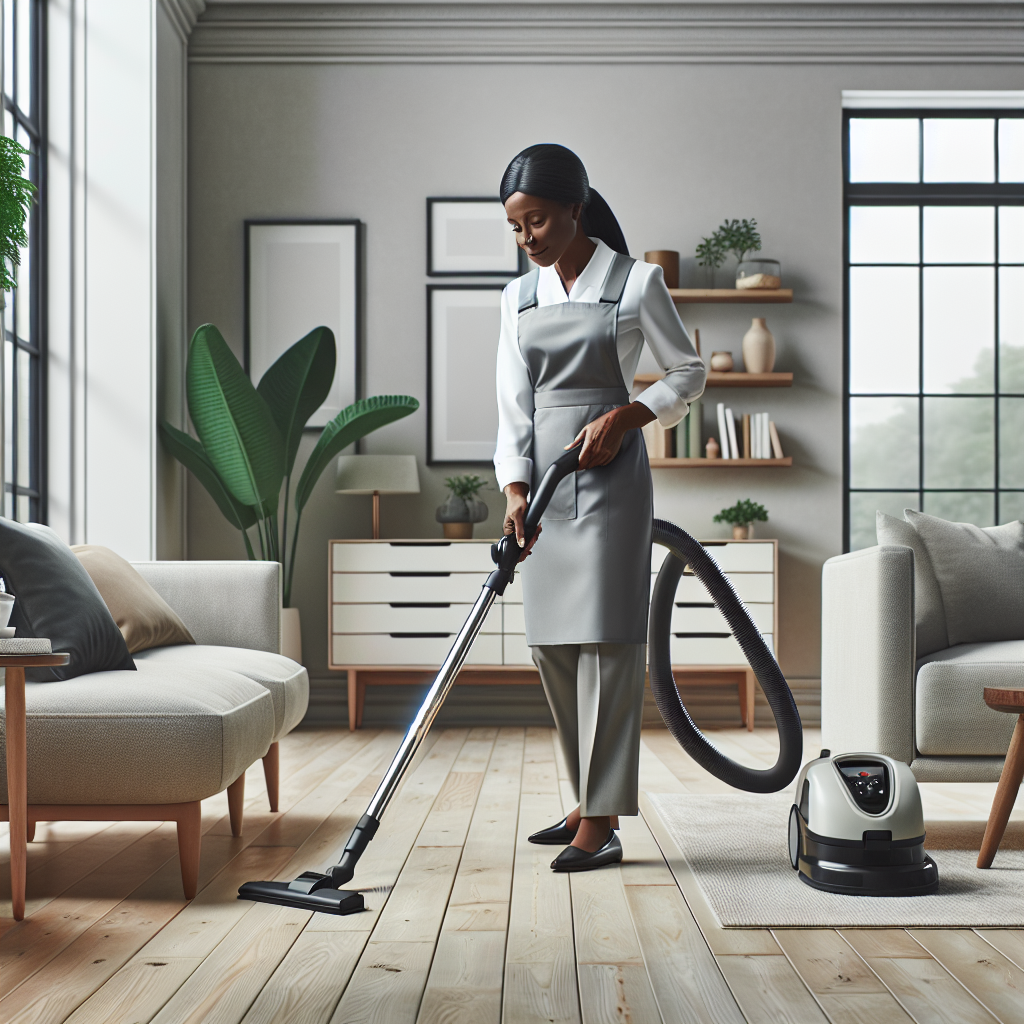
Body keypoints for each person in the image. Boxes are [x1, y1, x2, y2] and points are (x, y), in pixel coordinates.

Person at [494, 144, 706, 871]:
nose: (530, 239)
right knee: (552, 645)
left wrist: (628, 417)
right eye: (518, 227)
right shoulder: (519, 297)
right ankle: (588, 798)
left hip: (613, 480)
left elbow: (688, 371)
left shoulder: (637, 282)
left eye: (540, 221)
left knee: (610, 647)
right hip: (548, 486)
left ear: (575, 208)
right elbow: (513, 406)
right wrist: (516, 492)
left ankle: (605, 820)